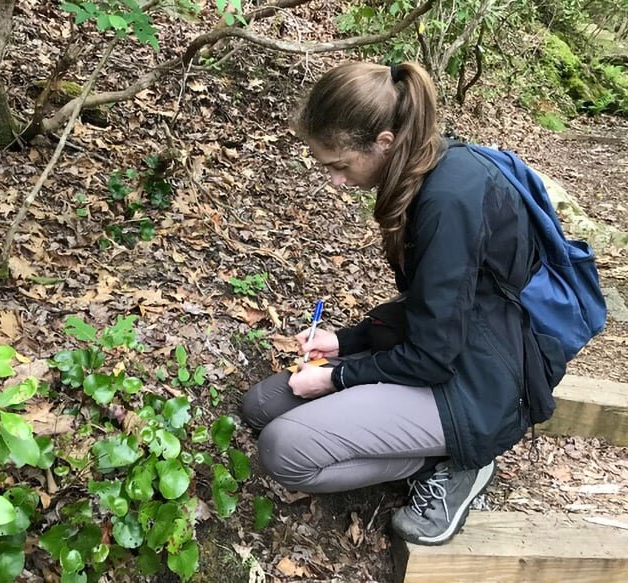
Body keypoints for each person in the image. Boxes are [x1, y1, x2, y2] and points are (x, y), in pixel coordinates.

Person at [241, 61, 566, 545]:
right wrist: (346, 340)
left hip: (479, 382)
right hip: (452, 347)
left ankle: (456, 464)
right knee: (261, 405)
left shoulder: (448, 201)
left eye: (339, 165)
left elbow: (433, 355)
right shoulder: (424, 170)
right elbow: (433, 303)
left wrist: (336, 376)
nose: (335, 182)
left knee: (284, 449)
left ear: (384, 142)